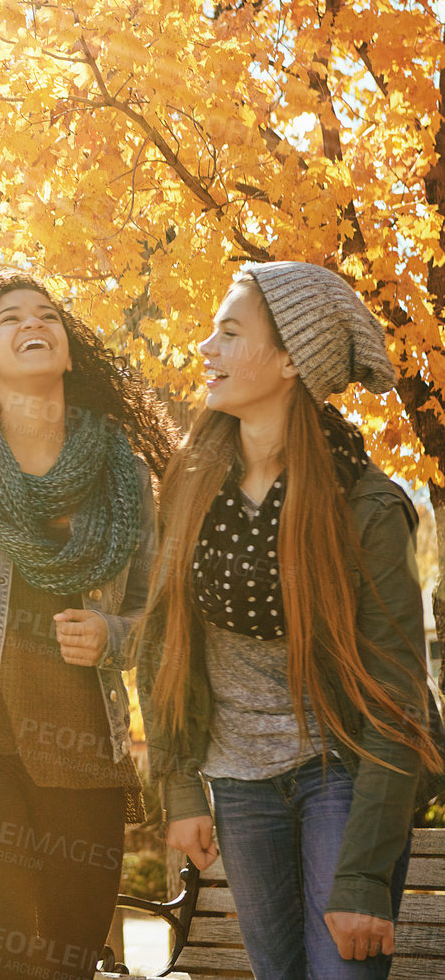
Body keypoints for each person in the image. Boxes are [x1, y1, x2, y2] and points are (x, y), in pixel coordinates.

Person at [143, 263, 444, 979]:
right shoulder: (192, 482)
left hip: (341, 766)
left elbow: (398, 697)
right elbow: (162, 641)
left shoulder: (365, 507)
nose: (206, 348)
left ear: (290, 361)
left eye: (230, 331)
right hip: (240, 780)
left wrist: (366, 873)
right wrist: (181, 786)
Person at [0, 271, 174, 980]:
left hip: (87, 758)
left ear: (69, 353)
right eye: (9, 317)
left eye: (47, 314)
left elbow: (159, 618)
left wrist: (114, 635)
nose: (32, 322)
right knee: (8, 964)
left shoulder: (124, 475)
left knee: (73, 964)